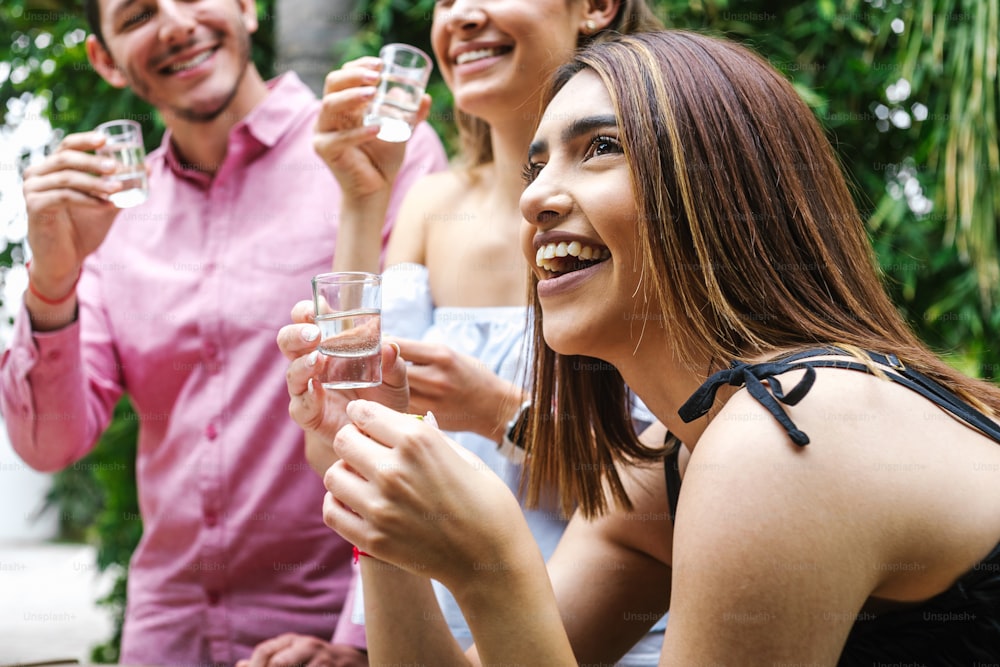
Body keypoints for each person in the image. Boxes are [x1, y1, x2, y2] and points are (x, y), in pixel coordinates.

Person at [316, 30, 1000, 665]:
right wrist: (378, 497)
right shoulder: (671, 468)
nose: (537, 199)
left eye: (601, 147)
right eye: (536, 167)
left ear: (723, 187)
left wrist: (489, 563)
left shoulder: (784, 438)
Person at [0, 0, 446, 663]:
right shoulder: (108, 217)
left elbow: (436, 406)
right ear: (106, 60)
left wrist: (364, 639)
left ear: (246, 7)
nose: (176, 24)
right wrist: (52, 282)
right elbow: (48, 443)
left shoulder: (370, 150)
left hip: (339, 630)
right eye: (138, 14)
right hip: (164, 636)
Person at [269, 0, 667, 664]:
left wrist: (495, 412)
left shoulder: (641, 208)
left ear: (596, 8)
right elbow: (344, 437)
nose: (463, 15)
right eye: (445, 0)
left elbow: (672, 493)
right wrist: (362, 199)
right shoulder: (429, 202)